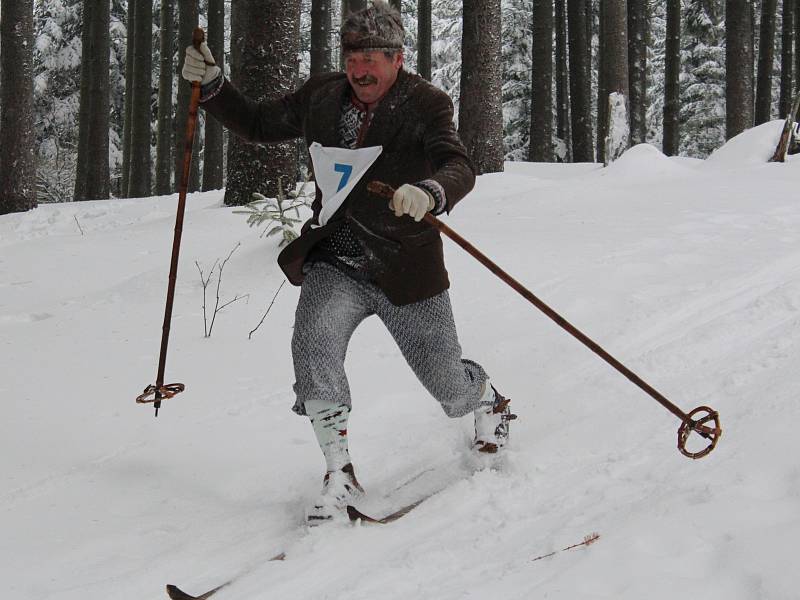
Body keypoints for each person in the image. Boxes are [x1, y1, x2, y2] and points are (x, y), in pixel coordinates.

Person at [182, 0, 515, 523]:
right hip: (335, 258)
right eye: (352, 57)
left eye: (372, 60)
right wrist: (216, 87)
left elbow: (459, 165)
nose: (360, 70)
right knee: (312, 347)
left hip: (405, 266)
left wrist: (430, 191)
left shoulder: (426, 103)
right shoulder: (322, 94)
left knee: (447, 386)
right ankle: (340, 474)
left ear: (398, 59)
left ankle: (487, 400)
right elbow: (260, 123)